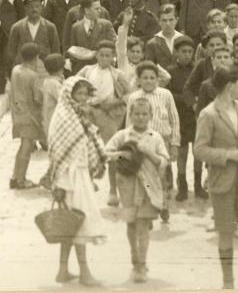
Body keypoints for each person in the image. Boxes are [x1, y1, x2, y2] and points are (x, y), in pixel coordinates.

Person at [193, 65, 238, 290]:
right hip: (222, 182)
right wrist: (232, 155)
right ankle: (228, 284)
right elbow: (200, 150)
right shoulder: (208, 114)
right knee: (225, 233)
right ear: (229, 86)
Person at [48, 76, 107, 287]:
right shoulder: (63, 117)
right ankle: (85, 272)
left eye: (84, 93)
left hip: (80, 176)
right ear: (69, 94)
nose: (81, 97)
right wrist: (61, 185)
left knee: (69, 226)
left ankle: (63, 270)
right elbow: (59, 153)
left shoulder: (79, 115)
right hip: (69, 179)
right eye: (78, 93)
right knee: (79, 224)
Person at [105, 98, 170, 284]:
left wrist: (149, 152)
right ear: (130, 115)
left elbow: (164, 162)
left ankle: (141, 265)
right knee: (131, 224)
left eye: (144, 114)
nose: (140, 117)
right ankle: (135, 257)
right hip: (128, 186)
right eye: (136, 114)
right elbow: (106, 152)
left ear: (150, 116)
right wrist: (123, 154)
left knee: (143, 225)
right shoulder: (123, 135)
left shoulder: (155, 137)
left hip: (149, 187)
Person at [77, 40, 134, 205]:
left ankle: (112, 189)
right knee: (85, 149)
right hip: (89, 113)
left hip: (109, 114)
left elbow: (130, 94)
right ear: (96, 55)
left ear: (113, 57)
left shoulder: (117, 74)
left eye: (108, 55)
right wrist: (84, 103)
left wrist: (114, 103)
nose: (104, 58)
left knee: (111, 151)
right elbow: (72, 86)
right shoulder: (87, 71)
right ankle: (86, 186)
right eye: (101, 55)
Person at [124, 61, 181, 224]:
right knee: (143, 178)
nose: (148, 81)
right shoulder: (134, 97)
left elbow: (174, 120)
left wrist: (175, 144)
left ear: (157, 79)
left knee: (163, 177)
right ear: (139, 80)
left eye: (152, 77)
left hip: (162, 142)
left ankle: (164, 206)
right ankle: (146, 212)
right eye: (145, 78)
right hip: (141, 143)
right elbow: (128, 122)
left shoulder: (165, 95)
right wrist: (129, 146)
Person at [166, 37, 199, 201]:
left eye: (190, 52)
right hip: (179, 115)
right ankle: (183, 184)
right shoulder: (170, 71)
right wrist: (186, 99)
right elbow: (168, 93)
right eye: (183, 52)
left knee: (198, 150)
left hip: (196, 114)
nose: (187, 55)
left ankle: (198, 184)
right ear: (176, 53)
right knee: (182, 151)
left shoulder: (197, 69)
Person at [9, 43, 45, 189]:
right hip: (29, 114)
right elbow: (38, 98)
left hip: (17, 113)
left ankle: (15, 176)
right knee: (27, 146)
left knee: (22, 146)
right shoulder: (33, 76)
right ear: (36, 58)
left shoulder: (16, 69)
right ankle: (21, 180)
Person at [64, 0, 116, 74]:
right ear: (87, 10)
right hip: (81, 69)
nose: (100, 11)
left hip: (102, 68)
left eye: (100, 8)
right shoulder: (76, 27)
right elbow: (72, 48)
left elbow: (113, 45)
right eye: (96, 9)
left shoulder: (106, 25)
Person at [7, 0, 61, 66]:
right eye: (31, 7)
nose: (34, 9)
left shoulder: (50, 27)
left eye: (37, 6)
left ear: (42, 7)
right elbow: (11, 51)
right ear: (25, 8)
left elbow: (55, 50)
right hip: (23, 68)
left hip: (44, 68)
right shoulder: (17, 27)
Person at [144, 4, 184, 72]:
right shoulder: (152, 43)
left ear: (176, 20)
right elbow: (149, 69)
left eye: (171, 20)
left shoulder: (183, 40)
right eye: (164, 20)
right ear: (159, 21)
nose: (168, 24)